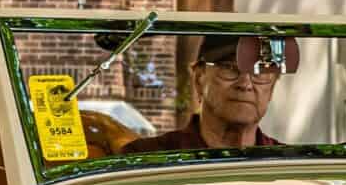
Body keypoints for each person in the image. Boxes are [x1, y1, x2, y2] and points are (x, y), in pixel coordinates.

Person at [120, 34, 290, 153]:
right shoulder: (146, 160)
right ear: (199, 79)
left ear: (273, 86)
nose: (245, 84)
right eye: (230, 68)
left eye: (260, 71)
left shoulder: (291, 166)